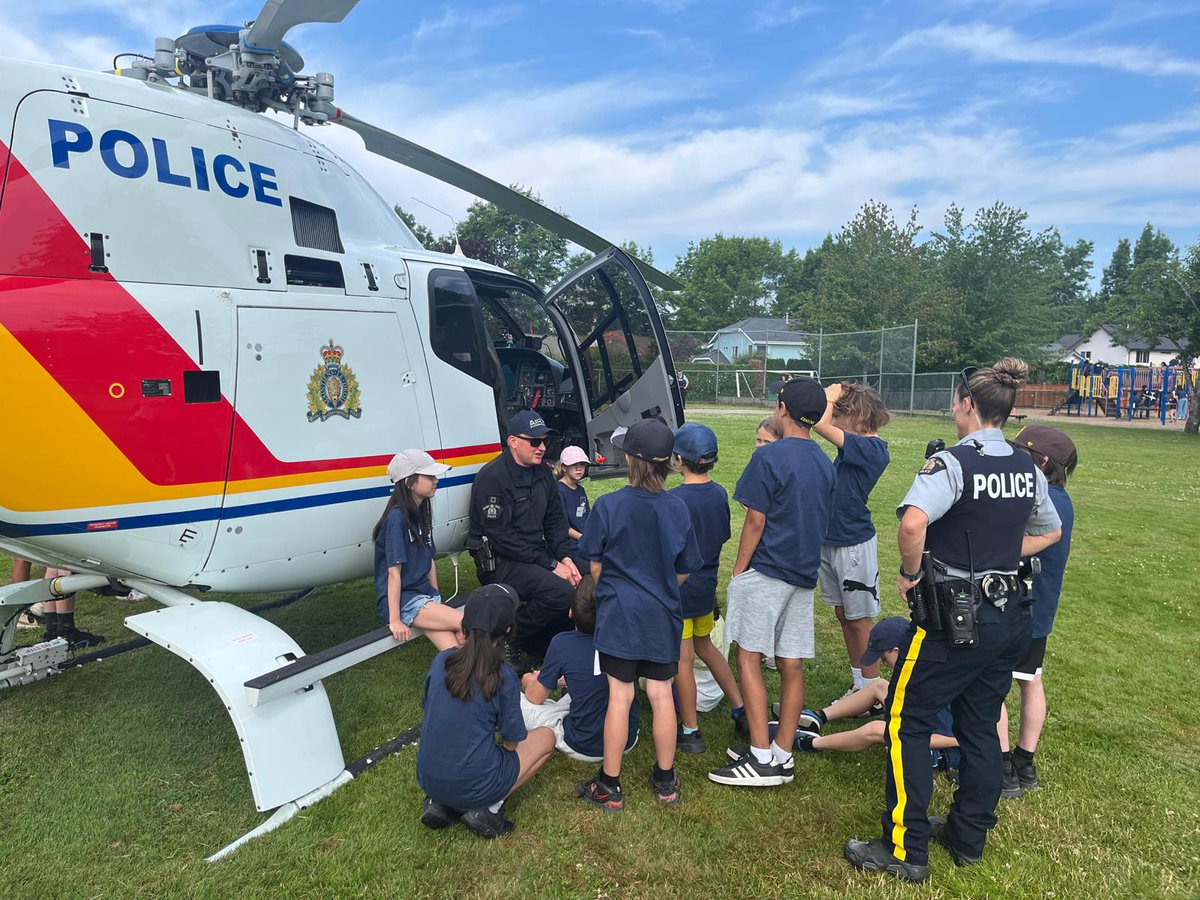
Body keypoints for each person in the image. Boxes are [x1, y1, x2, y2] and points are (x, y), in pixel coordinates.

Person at [844, 358, 1062, 883]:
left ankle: (904, 847)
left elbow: (914, 523)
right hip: (1009, 617)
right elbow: (1048, 531)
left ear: (967, 404)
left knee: (906, 723)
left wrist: (911, 574)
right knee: (981, 726)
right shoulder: (1027, 466)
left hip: (954, 621)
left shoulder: (952, 464)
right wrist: (1001, 557)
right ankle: (968, 836)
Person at [708, 377, 834, 788]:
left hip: (767, 570)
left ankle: (762, 757)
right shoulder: (823, 460)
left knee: (748, 657)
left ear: (782, 409)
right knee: (791, 663)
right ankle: (782, 752)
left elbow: (755, 519)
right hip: (802, 573)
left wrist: (739, 569)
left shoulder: (769, 457)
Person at [576, 419, 702, 811]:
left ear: (629, 458)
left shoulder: (609, 505)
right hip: (662, 615)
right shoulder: (677, 507)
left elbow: (594, 566)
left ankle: (609, 785)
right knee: (661, 693)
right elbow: (685, 567)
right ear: (670, 463)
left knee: (621, 695)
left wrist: (618, 589)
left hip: (619, 615)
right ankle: (665, 780)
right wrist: (661, 586)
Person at [729, 618, 960, 773]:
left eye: (883, 657)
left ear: (897, 651)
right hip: (928, 728)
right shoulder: (918, 669)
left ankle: (809, 742)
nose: (884, 664)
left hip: (944, 753)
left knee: (877, 729)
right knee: (879, 685)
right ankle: (818, 717)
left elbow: (941, 737)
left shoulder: (929, 683)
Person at [416, 584, 555, 839]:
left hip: (428, 778)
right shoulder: (504, 677)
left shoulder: (441, 660)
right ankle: (487, 808)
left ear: (464, 624)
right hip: (473, 783)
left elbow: (431, 711)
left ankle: (441, 802)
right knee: (547, 736)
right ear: (510, 631)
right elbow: (512, 742)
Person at [998, 424, 1078, 799]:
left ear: (1042, 462)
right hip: (1041, 609)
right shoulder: (1063, 499)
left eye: (1023, 453)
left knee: (992, 685)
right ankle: (1024, 762)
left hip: (1017, 607)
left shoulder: (1037, 497)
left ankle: (1001, 769)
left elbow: (1009, 545)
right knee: (1031, 680)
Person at [469, 410, 581, 662]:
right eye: (535, 441)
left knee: (584, 577)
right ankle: (504, 639)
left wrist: (565, 558)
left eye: (545, 441)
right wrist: (551, 565)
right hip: (500, 560)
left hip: (533, 555)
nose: (542, 447)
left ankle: (548, 644)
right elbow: (501, 537)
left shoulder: (543, 473)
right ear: (513, 442)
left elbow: (555, 521)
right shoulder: (493, 478)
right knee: (560, 591)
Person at [669, 422, 747, 754]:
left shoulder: (674, 500)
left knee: (683, 660)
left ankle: (690, 731)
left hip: (680, 590)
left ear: (677, 459)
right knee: (706, 647)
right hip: (705, 588)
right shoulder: (718, 493)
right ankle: (741, 709)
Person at [812, 382, 891, 704]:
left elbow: (820, 423)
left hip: (853, 545)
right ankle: (860, 684)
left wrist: (830, 396)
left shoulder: (872, 449)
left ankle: (873, 690)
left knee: (859, 621)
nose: (836, 418)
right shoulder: (855, 447)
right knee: (844, 616)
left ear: (858, 417)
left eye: (842, 413)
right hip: (832, 541)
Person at [520, 575, 640, 762]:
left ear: (570, 612)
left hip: (582, 744)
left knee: (519, 702)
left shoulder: (562, 643)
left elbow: (534, 698)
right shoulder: (629, 638)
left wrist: (530, 680)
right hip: (626, 740)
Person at [374, 450, 464, 651]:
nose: (435, 480)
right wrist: (394, 620)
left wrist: (436, 595)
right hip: (407, 600)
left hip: (424, 596)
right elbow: (393, 573)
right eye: (429, 476)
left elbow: (428, 559)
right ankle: (486, 675)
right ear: (409, 483)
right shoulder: (396, 520)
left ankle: (468, 678)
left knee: (453, 648)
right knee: (469, 623)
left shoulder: (420, 512)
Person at [555, 446, 591, 575]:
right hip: (572, 547)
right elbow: (563, 527)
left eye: (582, 464)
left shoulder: (580, 490)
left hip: (585, 542)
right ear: (564, 467)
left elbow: (588, 519)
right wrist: (585, 538)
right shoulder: (558, 490)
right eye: (574, 465)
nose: (579, 468)